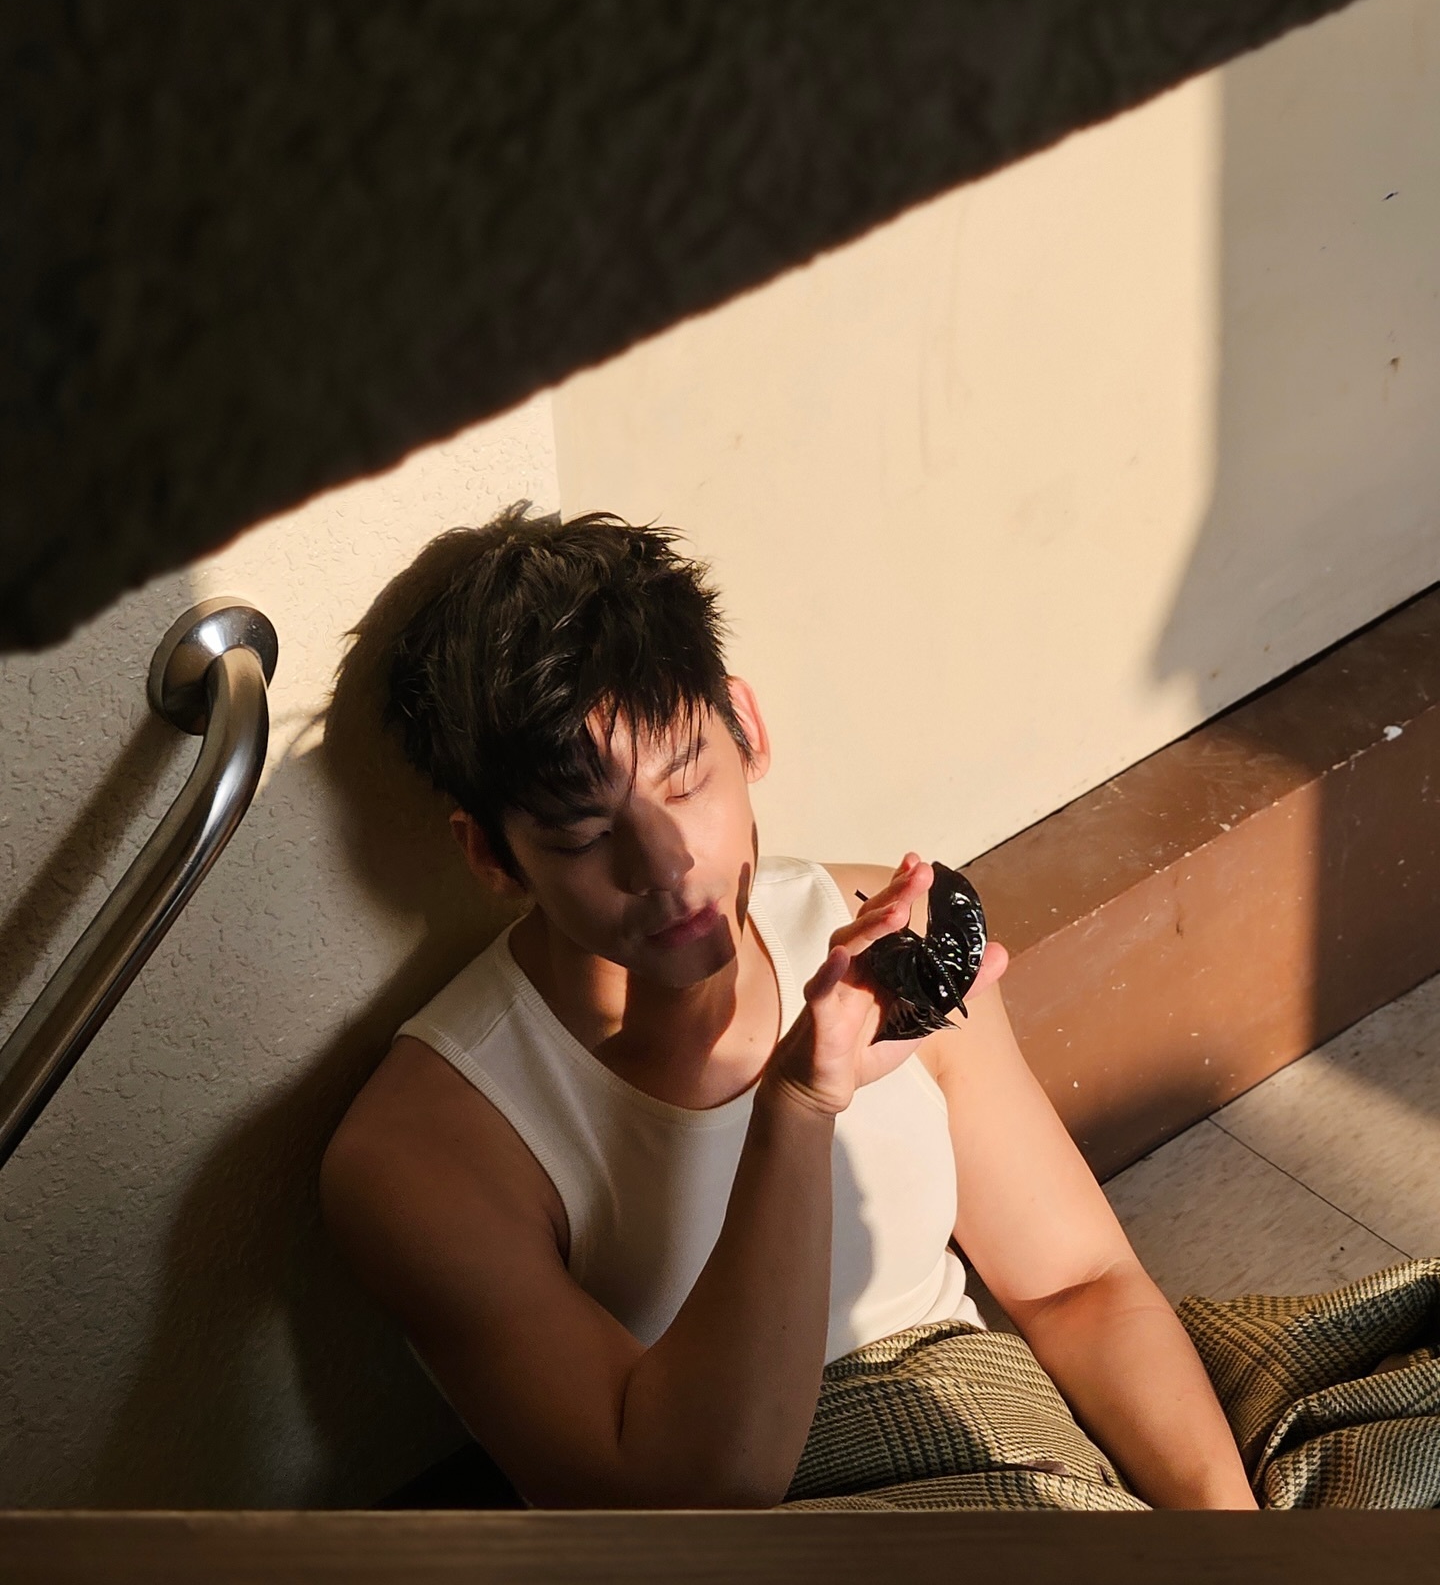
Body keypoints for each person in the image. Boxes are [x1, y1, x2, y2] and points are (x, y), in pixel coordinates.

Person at [320, 505, 1257, 1511]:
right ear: (491, 856)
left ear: (747, 729)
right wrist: (800, 1106)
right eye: (585, 836)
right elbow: (686, 1501)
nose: (665, 866)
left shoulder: (876, 931)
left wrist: (1238, 1549)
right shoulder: (425, 1149)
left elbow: (1079, 1286)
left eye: (687, 781)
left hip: (1006, 1451)